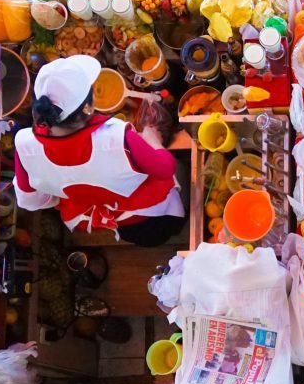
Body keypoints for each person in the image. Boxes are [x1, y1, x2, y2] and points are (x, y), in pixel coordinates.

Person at [14, 55, 185, 246]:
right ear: (88, 107)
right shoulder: (116, 137)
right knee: (179, 174)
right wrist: (153, 140)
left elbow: (30, 200)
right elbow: (165, 168)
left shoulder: (24, 144)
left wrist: (67, 184)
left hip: (119, 224)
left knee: (145, 238)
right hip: (152, 212)